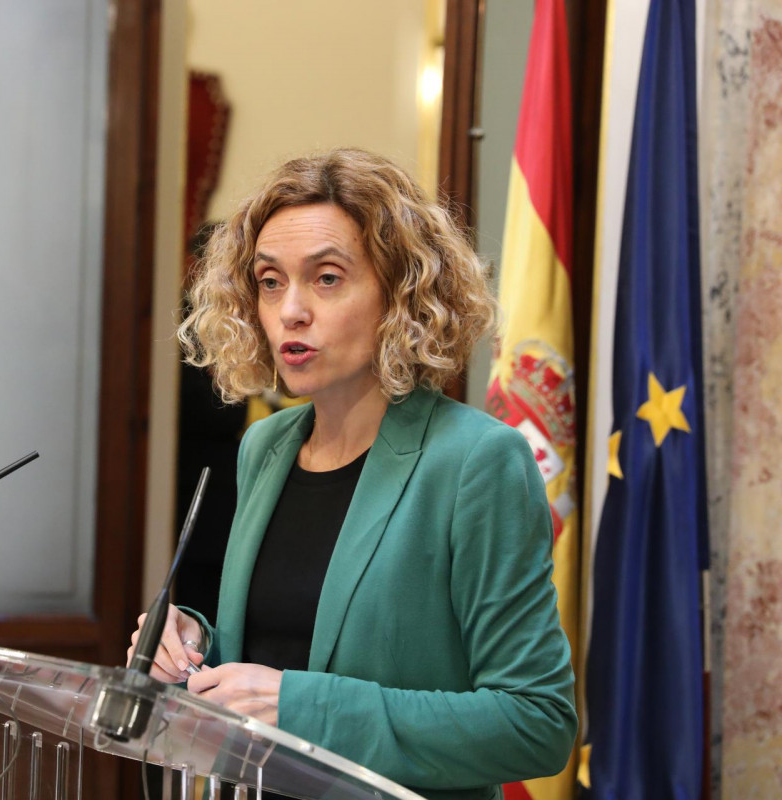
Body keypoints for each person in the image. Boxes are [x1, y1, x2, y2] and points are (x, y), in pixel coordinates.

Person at [128, 149, 576, 800]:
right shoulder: (266, 446)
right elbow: (288, 643)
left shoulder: (476, 461)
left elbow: (536, 722)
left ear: (401, 295)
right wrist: (194, 638)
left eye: (328, 278)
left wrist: (306, 708)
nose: (290, 312)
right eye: (269, 281)